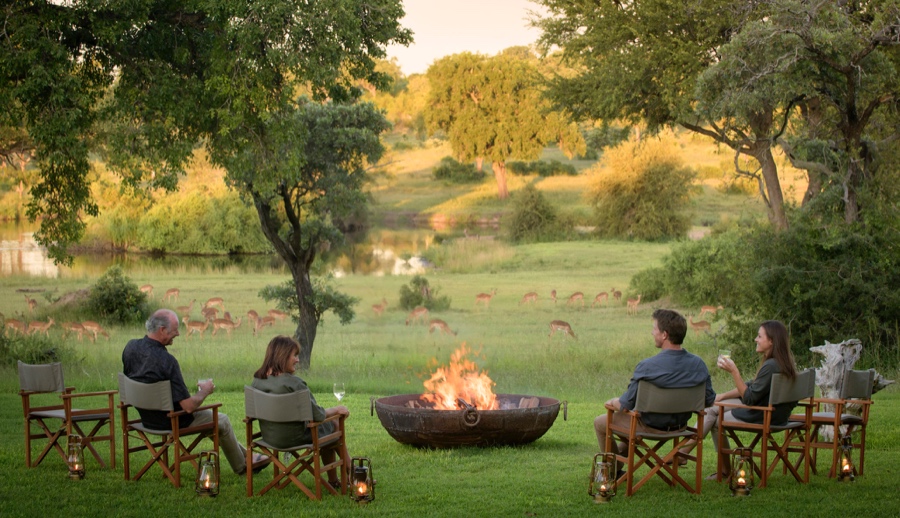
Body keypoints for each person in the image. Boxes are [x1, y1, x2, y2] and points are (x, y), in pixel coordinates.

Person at [122, 309, 270, 475]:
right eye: (175, 329)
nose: (178, 333)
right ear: (162, 330)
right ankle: (242, 467)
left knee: (212, 422)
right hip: (171, 421)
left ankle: (248, 457)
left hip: (145, 418)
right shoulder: (167, 361)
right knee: (221, 420)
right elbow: (189, 407)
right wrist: (205, 391)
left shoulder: (130, 348)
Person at [595, 309, 716, 469]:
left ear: (664, 335)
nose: (652, 333)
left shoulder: (647, 366)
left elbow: (626, 406)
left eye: (654, 329)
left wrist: (612, 401)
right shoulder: (699, 365)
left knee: (600, 422)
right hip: (680, 427)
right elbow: (708, 401)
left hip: (648, 426)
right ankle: (617, 463)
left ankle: (613, 469)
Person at [698, 320, 798, 480]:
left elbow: (749, 398)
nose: (755, 339)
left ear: (771, 341)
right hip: (776, 414)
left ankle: (718, 467)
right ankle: (684, 451)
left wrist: (734, 371)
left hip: (763, 415)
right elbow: (751, 386)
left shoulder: (771, 365)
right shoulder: (782, 362)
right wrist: (722, 397)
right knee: (714, 408)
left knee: (716, 419)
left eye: (759, 336)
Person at [251, 335, 350, 488]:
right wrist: (338, 409)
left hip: (269, 437)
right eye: (294, 356)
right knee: (334, 424)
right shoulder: (295, 384)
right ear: (282, 356)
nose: (297, 360)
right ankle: (352, 474)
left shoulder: (257, 381)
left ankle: (340, 478)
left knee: (326, 429)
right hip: (295, 438)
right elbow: (317, 415)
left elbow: (251, 415)